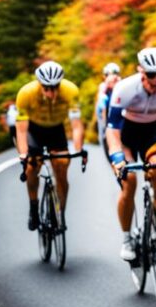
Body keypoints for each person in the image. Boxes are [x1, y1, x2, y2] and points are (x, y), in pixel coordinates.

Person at [105, 48, 156, 262]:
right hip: (125, 137)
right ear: (141, 71)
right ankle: (127, 238)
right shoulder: (125, 88)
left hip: (151, 136)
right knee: (129, 181)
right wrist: (117, 155)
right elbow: (112, 129)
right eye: (151, 75)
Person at [15, 61, 85, 231]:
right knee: (32, 168)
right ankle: (33, 206)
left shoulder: (71, 91)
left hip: (56, 130)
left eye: (55, 87)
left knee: (61, 167)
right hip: (34, 130)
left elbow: (76, 124)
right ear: (40, 84)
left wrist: (78, 148)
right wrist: (24, 154)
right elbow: (22, 130)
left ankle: (59, 215)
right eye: (47, 88)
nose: (51, 92)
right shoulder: (26, 93)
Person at [95, 62, 121, 154]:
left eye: (114, 75)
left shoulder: (122, 86)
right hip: (107, 126)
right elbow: (101, 109)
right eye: (108, 75)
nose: (112, 78)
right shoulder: (103, 88)